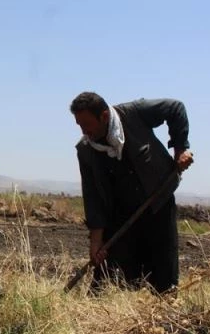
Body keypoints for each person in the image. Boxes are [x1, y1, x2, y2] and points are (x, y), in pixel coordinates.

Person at [69, 92, 194, 294]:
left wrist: (180, 149)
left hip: (157, 205)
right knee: (109, 280)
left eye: (87, 124)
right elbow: (92, 198)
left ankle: (163, 315)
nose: (84, 131)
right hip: (119, 217)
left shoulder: (134, 113)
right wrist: (96, 242)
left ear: (104, 116)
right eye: (79, 125)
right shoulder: (86, 150)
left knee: (164, 278)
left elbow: (175, 108)